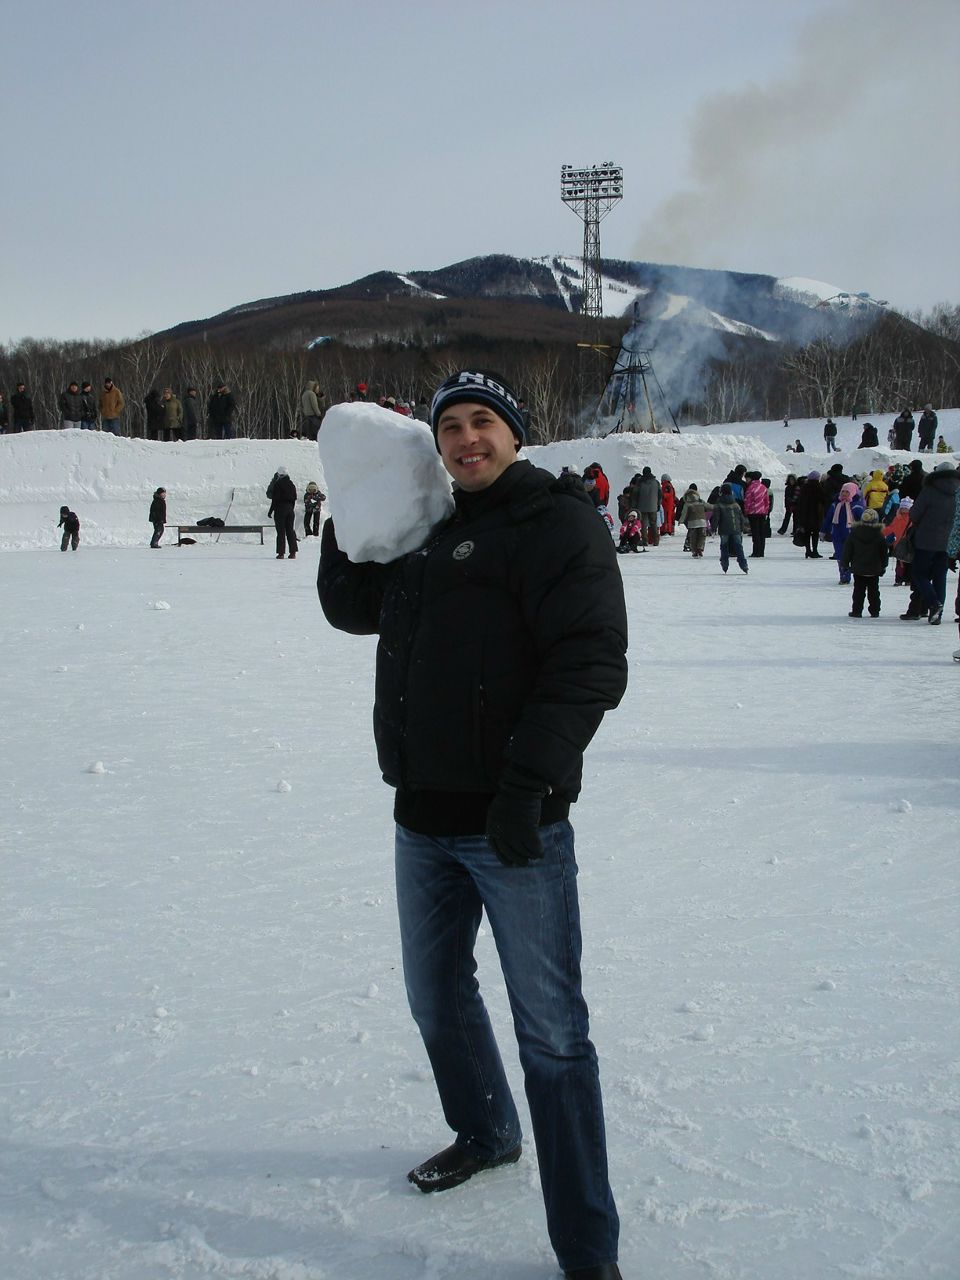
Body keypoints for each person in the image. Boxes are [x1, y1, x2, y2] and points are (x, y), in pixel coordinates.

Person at [318, 369, 628, 1280]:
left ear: (515, 432)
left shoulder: (557, 524)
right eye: (449, 426)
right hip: (423, 816)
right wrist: (352, 506)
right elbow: (353, 609)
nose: (465, 439)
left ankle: (585, 1247)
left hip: (514, 821)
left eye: (482, 421)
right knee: (436, 996)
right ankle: (486, 1129)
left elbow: (591, 664)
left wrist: (528, 787)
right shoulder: (428, 525)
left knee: (553, 1036)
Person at [901, 462, 960, 624]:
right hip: (948, 542)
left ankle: (934, 604)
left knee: (919, 573)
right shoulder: (958, 491)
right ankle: (937, 615)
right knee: (940, 576)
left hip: (926, 540)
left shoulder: (930, 490)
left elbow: (915, 514)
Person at [840, 509, 888, 617]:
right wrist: (884, 565)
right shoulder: (879, 535)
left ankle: (856, 611)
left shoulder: (854, 533)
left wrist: (845, 563)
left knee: (858, 591)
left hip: (858, 568)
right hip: (874, 568)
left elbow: (848, 550)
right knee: (874, 591)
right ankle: (875, 611)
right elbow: (884, 553)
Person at [821, 482, 865, 585]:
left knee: (852, 556)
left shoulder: (856, 506)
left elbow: (863, 521)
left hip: (852, 535)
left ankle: (856, 574)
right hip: (837, 534)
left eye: (847, 492)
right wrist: (823, 530)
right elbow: (828, 518)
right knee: (840, 556)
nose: (844, 494)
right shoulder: (835, 504)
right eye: (843, 491)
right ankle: (844, 575)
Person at [712, 482, 749, 573]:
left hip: (724, 530)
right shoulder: (735, 504)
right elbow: (741, 517)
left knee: (724, 547)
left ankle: (725, 564)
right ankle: (743, 564)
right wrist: (743, 527)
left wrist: (713, 529)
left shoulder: (719, 504)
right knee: (739, 547)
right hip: (736, 528)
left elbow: (716, 518)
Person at [267, 466, 298, 559]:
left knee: (281, 532)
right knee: (290, 531)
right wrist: (290, 508)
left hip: (280, 510)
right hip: (290, 510)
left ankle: (281, 553)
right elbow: (294, 497)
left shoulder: (278, 484)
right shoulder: (292, 484)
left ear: (279, 474)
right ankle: (293, 552)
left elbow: (275, 499)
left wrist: (270, 511)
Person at [794, 471, 824, 558]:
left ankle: (808, 550)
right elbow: (823, 500)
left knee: (806, 533)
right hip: (815, 514)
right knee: (815, 533)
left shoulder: (804, 487)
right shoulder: (818, 487)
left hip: (805, 514)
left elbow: (799, 502)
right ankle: (815, 551)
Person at [629, 466, 661, 547]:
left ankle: (645, 541)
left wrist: (634, 505)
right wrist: (658, 504)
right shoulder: (656, 482)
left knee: (643, 525)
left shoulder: (640, 482)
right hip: (653, 506)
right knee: (653, 524)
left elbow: (635, 494)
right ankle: (656, 541)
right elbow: (660, 494)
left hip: (641, 506)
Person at [679, 483, 710, 557]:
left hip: (691, 521)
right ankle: (699, 548)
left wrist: (681, 520)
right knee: (701, 536)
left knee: (692, 535)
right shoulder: (700, 500)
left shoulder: (685, 500)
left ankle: (692, 548)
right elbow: (707, 506)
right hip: (701, 521)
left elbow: (683, 512)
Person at [743, 471, 770, 557]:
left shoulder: (750, 488)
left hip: (753, 513)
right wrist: (765, 510)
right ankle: (761, 551)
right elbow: (767, 501)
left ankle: (756, 551)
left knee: (755, 533)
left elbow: (747, 501)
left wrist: (746, 511)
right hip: (762, 512)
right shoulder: (763, 487)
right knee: (762, 532)